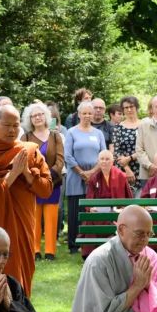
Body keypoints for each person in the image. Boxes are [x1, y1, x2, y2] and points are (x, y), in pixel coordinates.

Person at [0, 105, 53, 297]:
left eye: (15, 125)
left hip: (22, 223)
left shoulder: (29, 151)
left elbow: (46, 189)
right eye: (6, 125)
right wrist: (13, 174)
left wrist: (25, 172)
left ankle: (20, 310)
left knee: (21, 269)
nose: (12, 130)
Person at [21, 102, 64, 262]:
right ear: (30, 119)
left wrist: (48, 176)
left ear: (46, 116)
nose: (38, 117)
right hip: (32, 183)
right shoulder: (25, 137)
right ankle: (35, 250)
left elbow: (60, 160)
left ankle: (50, 251)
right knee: (34, 218)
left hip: (53, 182)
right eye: (34, 115)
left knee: (51, 217)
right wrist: (35, 178)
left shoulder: (55, 135)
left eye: (40, 114)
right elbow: (22, 159)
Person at [64, 101, 107, 254]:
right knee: (76, 209)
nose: (88, 116)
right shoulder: (71, 132)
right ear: (79, 114)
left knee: (92, 210)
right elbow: (67, 155)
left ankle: (91, 240)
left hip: (95, 177)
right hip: (76, 177)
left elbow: (104, 155)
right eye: (85, 113)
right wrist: (81, 172)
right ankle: (74, 244)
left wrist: (93, 172)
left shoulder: (98, 133)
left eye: (90, 113)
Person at [81, 150, 134, 259]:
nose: (104, 162)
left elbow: (128, 198)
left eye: (107, 159)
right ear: (98, 161)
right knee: (90, 219)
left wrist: (124, 208)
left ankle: (117, 252)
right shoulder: (94, 178)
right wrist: (91, 208)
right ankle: (90, 255)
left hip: (116, 211)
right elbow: (89, 199)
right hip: (100, 212)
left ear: (112, 161)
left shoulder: (120, 176)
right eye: (102, 159)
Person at [112, 96, 142, 187]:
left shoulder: (144, 125)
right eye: (126, 107)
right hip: (123, 170)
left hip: (142, 168)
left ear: (136, 108)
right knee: (123, 199)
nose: (129, 110)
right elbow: (117, 151)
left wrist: (130, 158)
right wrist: (127, 169)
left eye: (131, 107)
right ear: (123, 110)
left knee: (142, 199)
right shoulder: (118, 128)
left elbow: (147, 147)